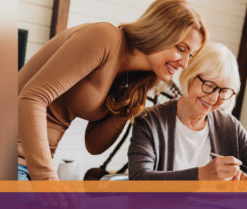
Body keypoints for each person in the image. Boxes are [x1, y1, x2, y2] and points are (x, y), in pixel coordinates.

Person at [18, 0, 207, 180]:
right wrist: (47, 179)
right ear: (160, 32)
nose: (184, 63)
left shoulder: (136, 81)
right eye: (181, 49)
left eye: (190, 55)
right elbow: (32, 97)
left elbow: (94, 145)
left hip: (29, 166)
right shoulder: (105, 37)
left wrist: (129, 105)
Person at [128, 43, 247, 181]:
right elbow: (139, 179)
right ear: (191, 76)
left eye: (224, 91)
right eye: (208, 85)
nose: (214, 98)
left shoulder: (228, 126)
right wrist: (201, 175)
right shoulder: (150, 121)